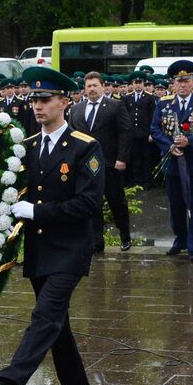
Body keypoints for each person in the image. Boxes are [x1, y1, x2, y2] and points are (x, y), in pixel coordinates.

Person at [0, 66, 103, 385]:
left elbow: (90, 203)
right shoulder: (26, 148)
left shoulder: (85, 146)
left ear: (65, 101)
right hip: (41, 252)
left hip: (71, 251)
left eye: (45, 99)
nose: (38, 105)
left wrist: (38, 211)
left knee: (45, 316)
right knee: (57, 331)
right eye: (34, 99)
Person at [150, 60, 193, 262]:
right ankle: (180, 239)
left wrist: (190, 141)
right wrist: (169, 145)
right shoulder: (163, 103)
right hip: (173, 162)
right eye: (178, 82)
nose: (182, 85)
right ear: (173, 84)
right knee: (176, 205)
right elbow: (155, 129)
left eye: (186, 81)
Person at [69, 71, 133, 251]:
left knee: (116, 202)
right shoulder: (76, 109)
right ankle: (97, 242)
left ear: (103, 86)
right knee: (91, 204)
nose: (92, 89)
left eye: (95, 85)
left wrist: (122, 158)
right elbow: (72, 136)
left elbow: (125, 132)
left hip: (110, 164)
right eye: (88, 86)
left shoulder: (115, 106)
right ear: (84, 89)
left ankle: (125, 236)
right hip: (85, 167)